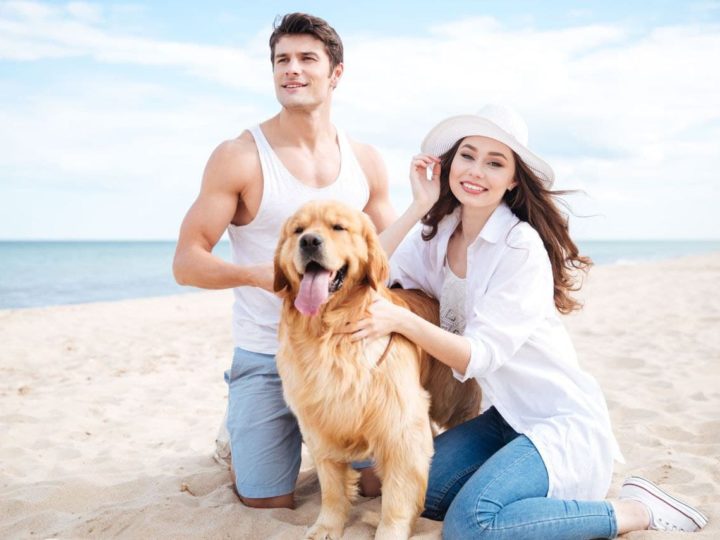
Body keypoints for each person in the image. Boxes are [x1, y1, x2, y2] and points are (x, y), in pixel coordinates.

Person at [343, 104, 708, 538]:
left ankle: (633, 511)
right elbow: (365, 272)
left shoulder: (520, 247)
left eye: (495, 163)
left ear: (513, 179)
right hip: (505, 419)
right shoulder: (441, 230)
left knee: (471, 526)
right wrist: (417, 206)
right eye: (468, 155)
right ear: (449, 163)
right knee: (402, 485)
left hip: (558, 423)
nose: (476, 171)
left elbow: (478, 355)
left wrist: (402, 322)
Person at [172, 12, 394, 509]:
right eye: (281, 60)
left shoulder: (366, 161)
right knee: (268, 503)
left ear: (335, 74)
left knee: (378, 485)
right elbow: (186, 262)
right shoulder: (240, 156)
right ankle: (239, 432)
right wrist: (258, 275)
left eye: (306, 59)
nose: (291, 69)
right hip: (266, 355)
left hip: (347, 355)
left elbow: (390, 253)